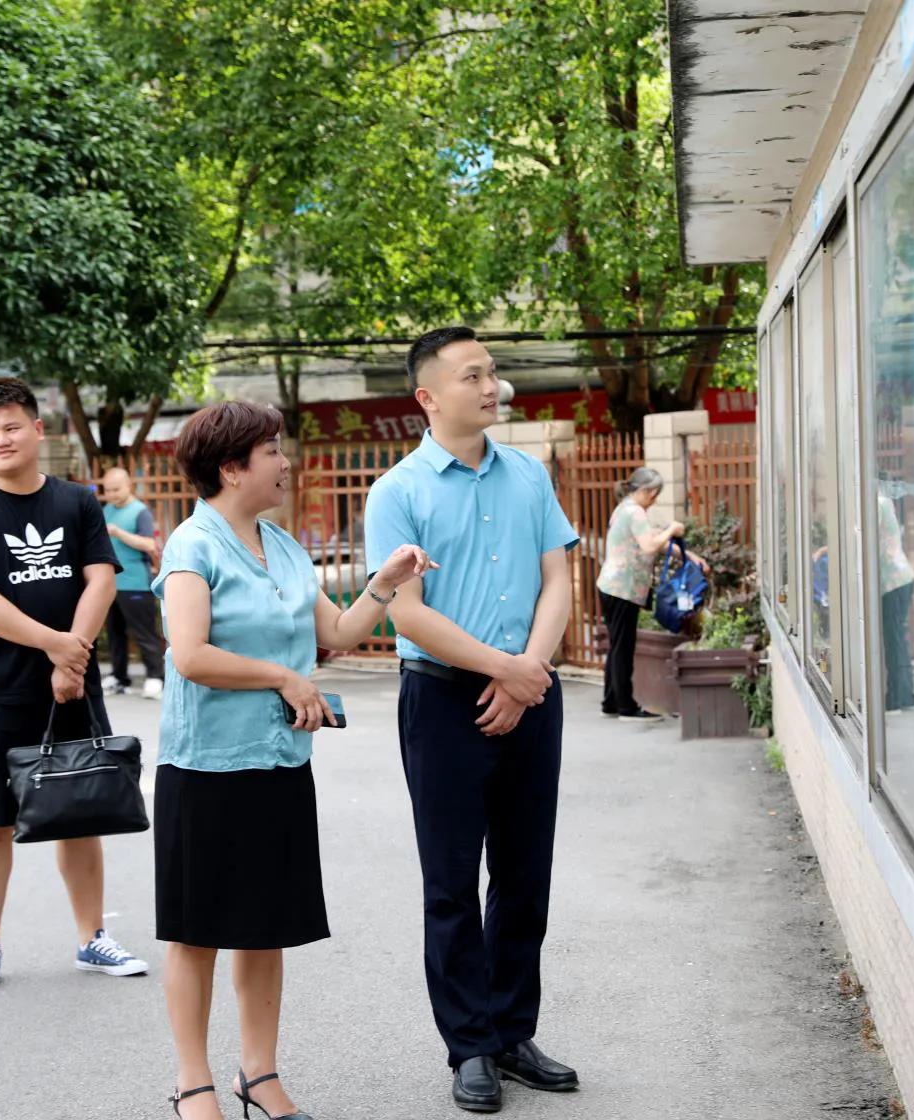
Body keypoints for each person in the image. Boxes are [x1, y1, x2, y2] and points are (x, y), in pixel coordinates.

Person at [153, 401, 432, 1120]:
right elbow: (190, 655)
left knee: (264, 924)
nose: (284, 461)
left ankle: (259, 1074)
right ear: (231, 467)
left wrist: (386, 581)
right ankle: (194, 1084)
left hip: (278, 761)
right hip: (206, 767)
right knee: (197, 930)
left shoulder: (281, 546)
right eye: (271, 450)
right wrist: (281, 676)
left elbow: (334, 632)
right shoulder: (194, 547)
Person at [363, 326, 582, 1113]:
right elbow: (407, 615)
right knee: (452, 881)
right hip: (443, 700)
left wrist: (529, 673)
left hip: (531, 690)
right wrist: (503, 669)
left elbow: (558, 576)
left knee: (525, 874)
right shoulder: (399, 492)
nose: (491, 386)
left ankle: (514, 1031)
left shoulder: (527, 475)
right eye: (472, 375)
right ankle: (470, 1046)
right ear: (428, 397)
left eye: (493, 372)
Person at [0, 376, 149, 992]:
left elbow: (101, 579)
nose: (0, 440)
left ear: (37, 430)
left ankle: (91, 938)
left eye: (11, 427)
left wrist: (72, 659)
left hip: (73, 683)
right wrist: (55, 645)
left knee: (80, 809)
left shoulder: (77, 502)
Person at [594, 468, 695, 722]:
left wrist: (690, 557)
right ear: (647, 491)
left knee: (618, 645)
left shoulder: (625, 508)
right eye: (655, 494)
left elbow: (652, 544)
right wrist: (672, 529)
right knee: (623, 647)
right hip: (622, 588)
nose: (656, 499)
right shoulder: (634, 512)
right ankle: (626, 707)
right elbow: (651, 545)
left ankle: (611, 702)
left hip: (614, 587)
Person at [101, 465, 166, 698]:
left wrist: (119, 533)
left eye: (116, 489)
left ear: (129, 485)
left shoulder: (140, 512)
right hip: (110, 584)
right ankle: (119, 677)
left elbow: (150, 544)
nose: (112, 494)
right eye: (107, 490)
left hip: (136, 582)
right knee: (115, 633)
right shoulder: (106, 509)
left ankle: (156, 677)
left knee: (144, 633)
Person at [876, 492, 914, 710]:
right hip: (899, 579)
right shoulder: (881, 501)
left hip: (894, 582)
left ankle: (899, 697)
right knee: (897, 639)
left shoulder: (877, 503)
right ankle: (903, 693)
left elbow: (861, 539)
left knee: (895, 642)